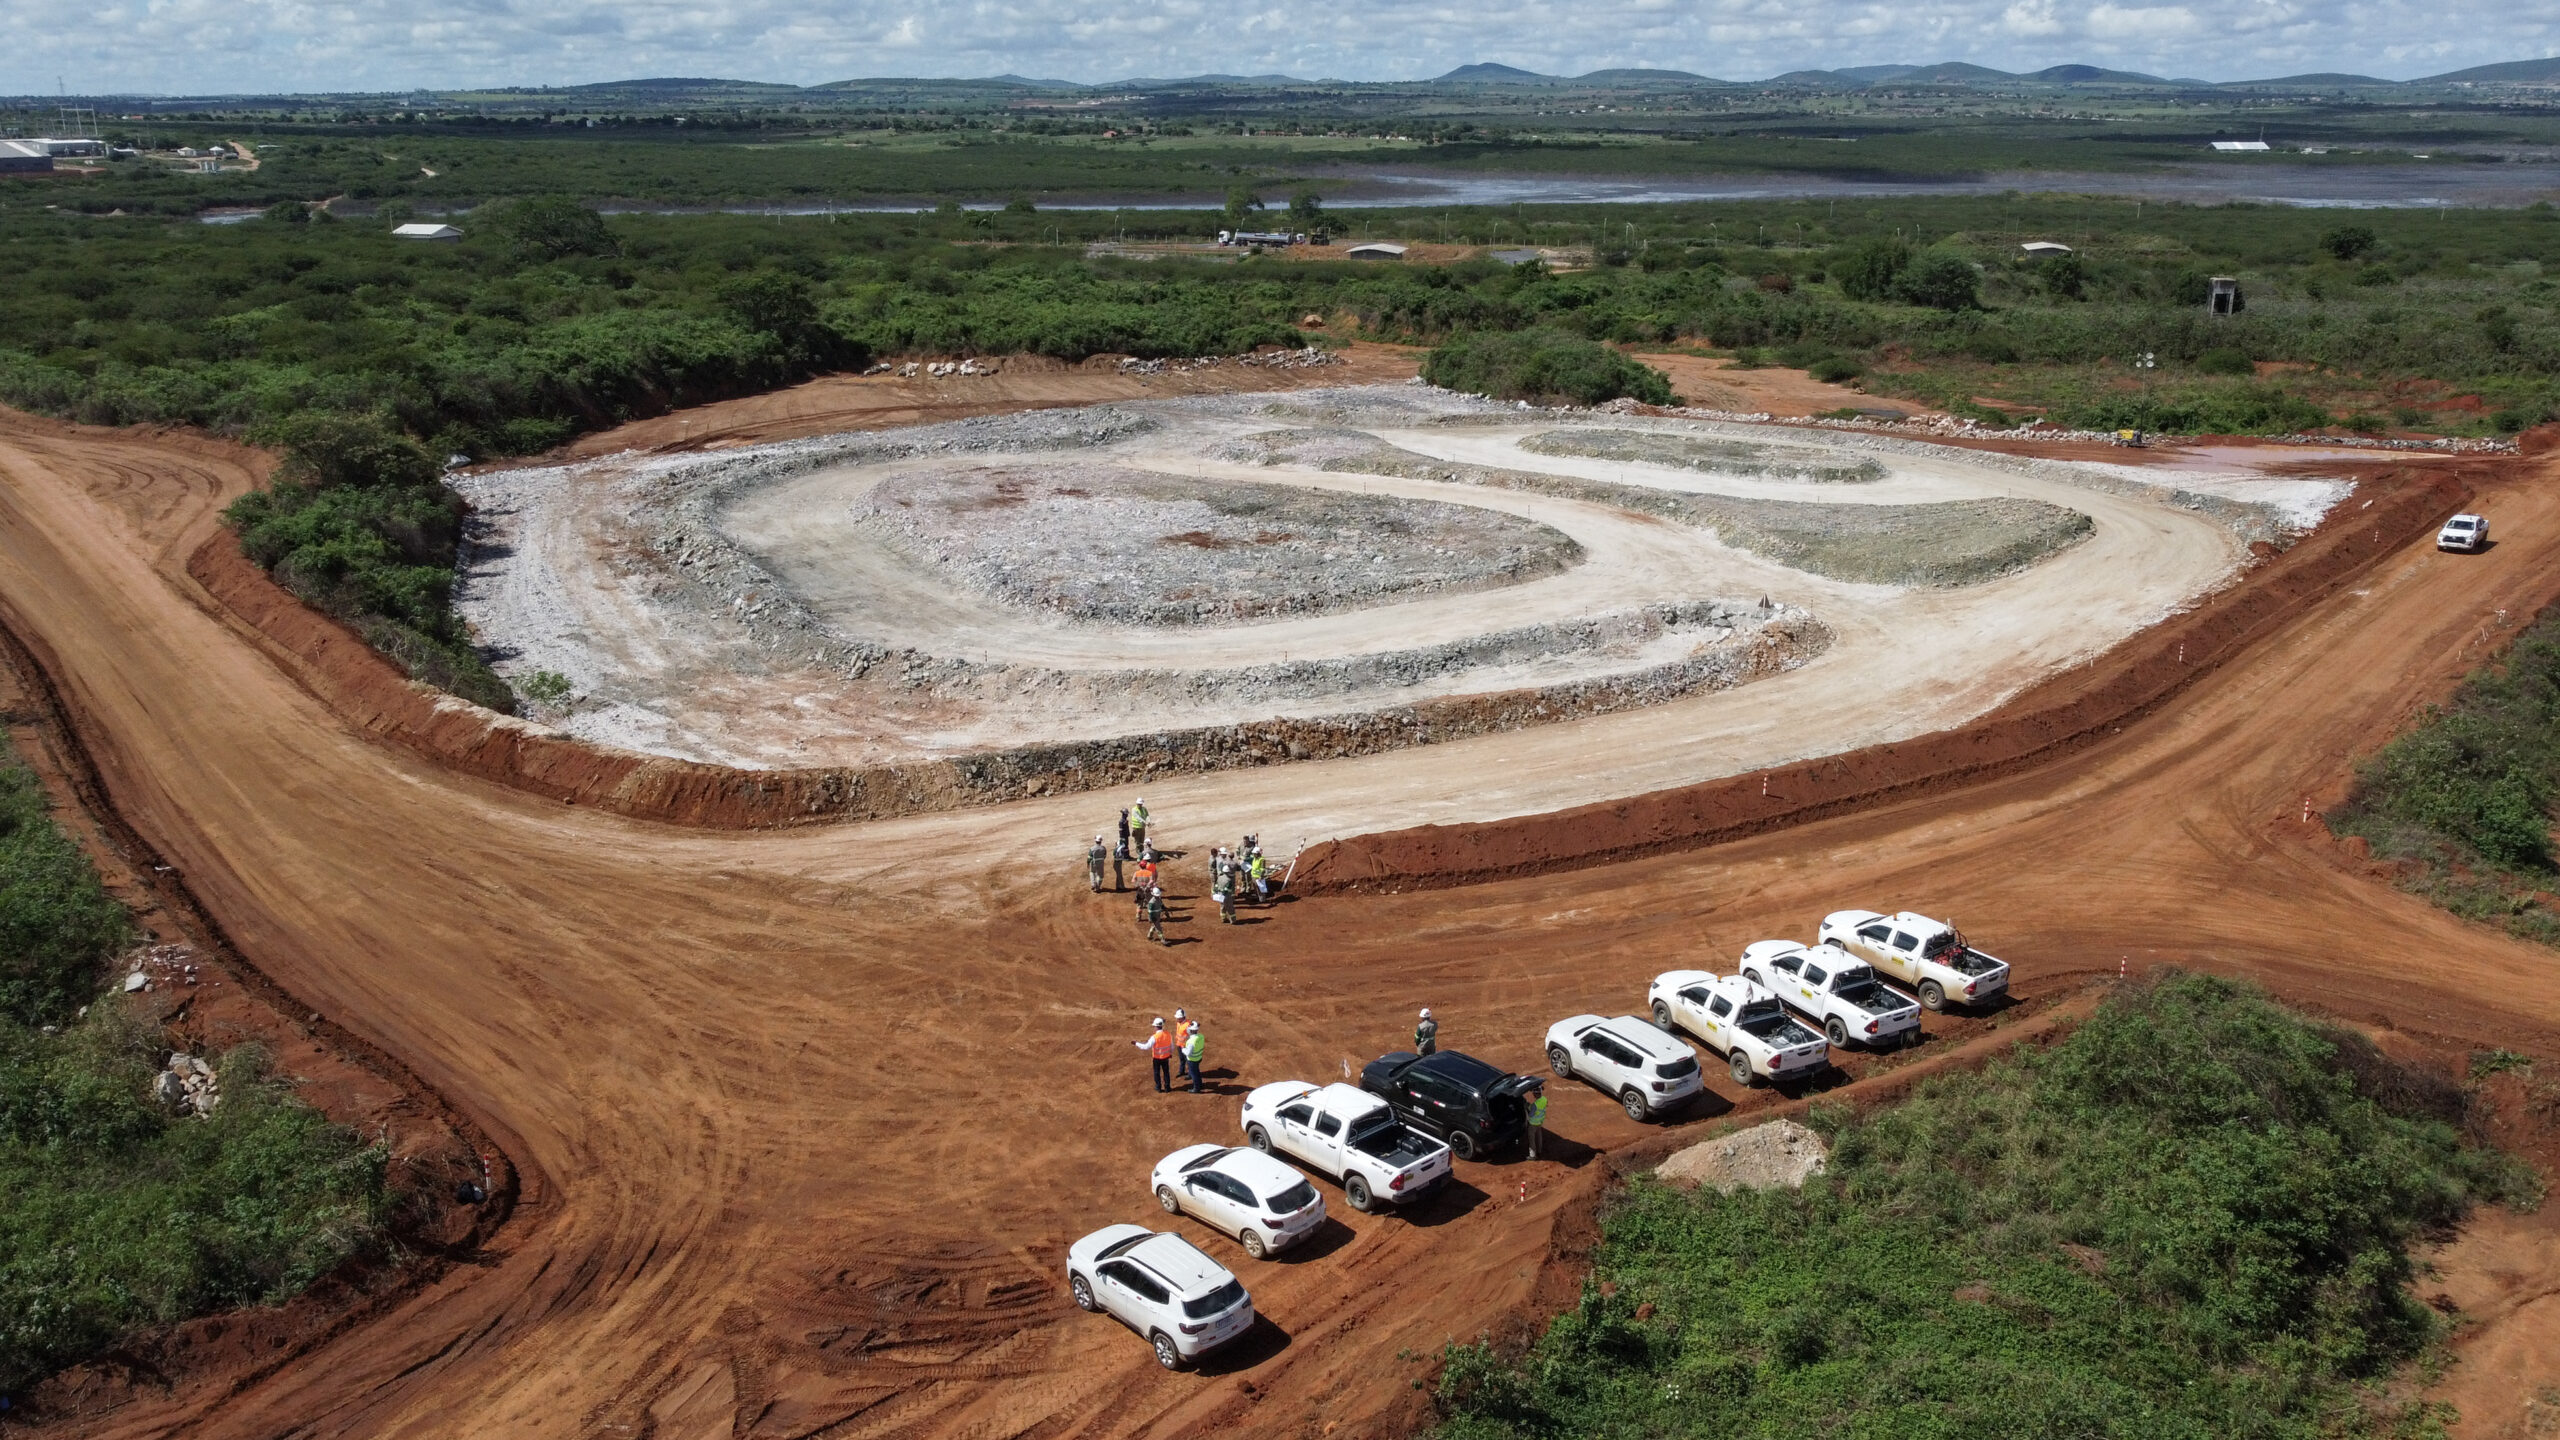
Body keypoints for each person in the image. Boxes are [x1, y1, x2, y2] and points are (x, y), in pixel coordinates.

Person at [1135, 1018, 1174, 1092]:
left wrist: (1136, 1043)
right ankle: (1167, 1087)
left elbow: (1146, 1047)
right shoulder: (1168, 1034)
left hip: (1157, 1058)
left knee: (1157, 1072)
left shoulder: (1154, 1037)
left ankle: (1158, 1087)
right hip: (1166, 1057)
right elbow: (1172, 1046)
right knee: (1166, 1072)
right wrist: (1170, 1053)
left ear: (1156, 1027)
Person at [1524, 1080, 1548, 1159]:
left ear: (1536, 1093)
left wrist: (1527, 1107)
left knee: (1532, 1140)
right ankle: (1539, 1151)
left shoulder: (1534, 1105)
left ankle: (1532, 1155)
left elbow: (1531, 1114)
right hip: (1539, 1123)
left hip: (1533, 1124)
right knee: (1539, 1137)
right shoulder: (1544, 1099)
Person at [1182, 1020, 1206, 1092]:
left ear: (1191, 1030)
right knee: (1197, 1071)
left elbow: (1188, 1053)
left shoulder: (1191, 1041)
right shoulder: (1201, 1036)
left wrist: (1183, 1049)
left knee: (1193, 1074)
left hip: (1192, 1059)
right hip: (1199, 1058)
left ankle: (1196, 1088)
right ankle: (1200, 1084)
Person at [1213, 858, 1236, 925]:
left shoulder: (1219, 877)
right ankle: (1233, 920)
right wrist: (1224, 893)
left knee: (1223, 907)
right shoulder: (1229, 880)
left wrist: (1216, 892)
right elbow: (1227, 889)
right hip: (1226, 896)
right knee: (1230, 908)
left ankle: (1223, 918)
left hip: (1220, 895)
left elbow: (1216, 885)